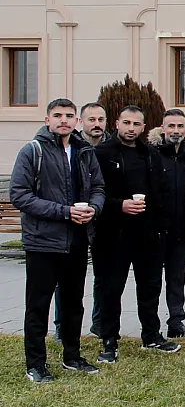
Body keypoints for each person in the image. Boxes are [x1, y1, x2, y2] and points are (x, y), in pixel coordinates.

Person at [11, 99, 105, 382]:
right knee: (38, 306)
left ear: (76, 121)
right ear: (47, 120)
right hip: (43, 242)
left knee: (74, 304)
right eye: (57, 115)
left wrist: (94, 208)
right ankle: (36, 365)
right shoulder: (33, 151)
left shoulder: (84, 151)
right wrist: (64, 212)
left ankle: (72, 357)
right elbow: (20, 195)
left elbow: (98, 187)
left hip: (77, 240)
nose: (63, 120)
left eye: (69, 115)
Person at [94, 106, 181, 362]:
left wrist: (161, 226)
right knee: (111, 290)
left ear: (144, 127)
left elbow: (161, 192)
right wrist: (119, 205)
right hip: (113, 235)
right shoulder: (102, 153)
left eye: (136, 124)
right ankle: (109, 341)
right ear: (117, 124)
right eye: (126, 122)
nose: (131, 128)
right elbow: (93, 192)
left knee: (150, 288)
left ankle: (151, 336)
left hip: (148, 234)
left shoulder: (150, 154)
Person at [52, 101, 110, 343]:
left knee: (103, 276)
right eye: (91, 120)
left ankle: (99, 323)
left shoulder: (111, 147)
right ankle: (61, 326)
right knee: (65, 280)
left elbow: (101, 186)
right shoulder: (73, 147)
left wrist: (96, 208)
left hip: (103, 220)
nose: (96, 124)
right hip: (73, 221)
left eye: (101, 120)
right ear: (81, 122)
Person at [149, 109, 185, 339]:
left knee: (177, 279)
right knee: (152, 281)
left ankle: (176, 323)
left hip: (181, 231)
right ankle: (151, 326)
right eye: (171, 126)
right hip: (156, 231)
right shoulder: (151, 154)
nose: (175, 131)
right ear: (162, 128)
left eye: (180, 126)